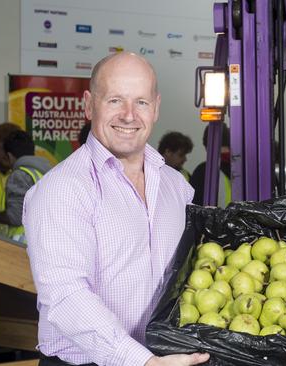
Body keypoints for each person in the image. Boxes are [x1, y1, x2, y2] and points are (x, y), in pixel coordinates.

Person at [23, 52, 209, 366]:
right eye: (114, 100)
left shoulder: (176, 187)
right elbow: (66, 297)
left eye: (141, 102)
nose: (128, 115)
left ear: (156, 108)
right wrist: (144, 362)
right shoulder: (62, 189)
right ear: (88, 104)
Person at [0, 130, 51, 243]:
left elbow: (16, 216)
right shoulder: (47, 172)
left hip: (24, 246)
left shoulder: (19, 175)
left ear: (9, 156)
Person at [189, 124, 231, 207]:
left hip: (216, 219)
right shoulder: (244, 169)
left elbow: (194, 207)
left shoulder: (203, 171)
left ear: (206, 146)